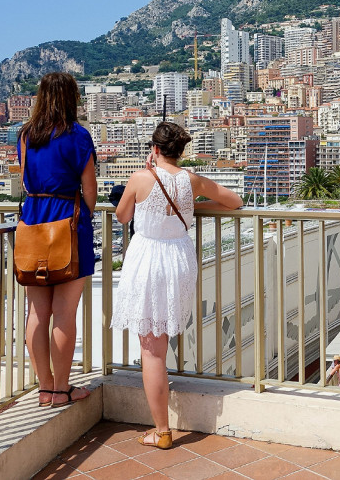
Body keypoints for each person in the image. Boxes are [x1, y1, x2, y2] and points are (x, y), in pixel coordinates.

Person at [110, 122, 242, 449]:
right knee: (160, 339)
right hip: (179, 260)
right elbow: (234, 201)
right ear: (180, 151)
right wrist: (194, 206)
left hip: (149, 260)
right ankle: (162, 427)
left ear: (154, 149)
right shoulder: (190, 180)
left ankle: (162, 429)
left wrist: (146, 174)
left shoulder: (141, 178)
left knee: (151, 348)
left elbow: (122, 216)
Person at [18, 72, 97, 409]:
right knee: (65, 313)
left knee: (37, 312)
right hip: (69, 222)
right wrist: (84, 216)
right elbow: (90, 190)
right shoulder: (78, 136)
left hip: (33, 221)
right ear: (72, 98)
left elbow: (24, 181)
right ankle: (63, 389)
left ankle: (45, 388)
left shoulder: (26, 136)